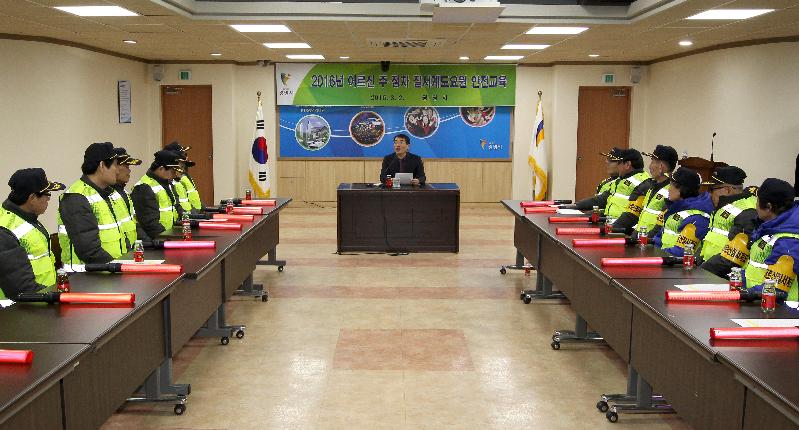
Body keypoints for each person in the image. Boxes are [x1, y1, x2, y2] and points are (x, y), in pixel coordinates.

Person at [58, 142, 128, 266]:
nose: (118, 171)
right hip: (86, 275)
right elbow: (89, 251)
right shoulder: (77, 198)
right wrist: (119, 268)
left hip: (110, 270)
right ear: (102, 165)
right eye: (115, 165)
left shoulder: (108, 193)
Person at [0, 168, 65, 299]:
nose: (48, 200)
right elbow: (21, 287)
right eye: (47, 195)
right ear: (32, 198)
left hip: (41, 299)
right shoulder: (5, 231)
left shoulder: (26, 218)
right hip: (20, 307)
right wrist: (55, 298)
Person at [742, 178, 798, 301]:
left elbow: (776, 289)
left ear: (768, 207)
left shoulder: (788, 241)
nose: (755, 205)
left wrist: (743, 294)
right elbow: (753, 268)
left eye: (757, 201)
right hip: (757, 302)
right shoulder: (770, 228)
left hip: (779, 309)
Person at [698, 166, 758, 278]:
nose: (710, 194)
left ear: (727, 190)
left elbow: (733, 257)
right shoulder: (725, 206)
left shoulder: (747, 212)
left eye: (712, 190)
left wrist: (701, 271)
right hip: (710, 273)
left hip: (725, 277)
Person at [651, 167, 713, 257]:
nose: (668, 189)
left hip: (675, 263)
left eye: (671, 185)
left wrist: (655, 256)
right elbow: (659, 239)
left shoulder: (698, 218)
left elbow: (681, 252)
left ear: (682, 189)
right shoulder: (676, 208)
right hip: (663, 259)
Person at [615, 145, 678, 234]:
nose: (649, 166)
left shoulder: (671, 193)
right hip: (640, 237)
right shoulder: (650, 186)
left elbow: (659, 229)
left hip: (650, 240)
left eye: (652, 162)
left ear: (661, 167)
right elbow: (633, 214)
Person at [131, 150, 185, 240]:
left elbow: (175, 209)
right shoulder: (144, 187)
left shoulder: (166, 184)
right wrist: (168, 240)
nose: (175, 174)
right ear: (161, 169)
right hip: (157, 241)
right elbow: (150, 223)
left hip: (168, 237)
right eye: (173, 171)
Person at [112, 147, 144, 247]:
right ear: (114, 167)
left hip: (131, 250)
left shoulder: (124, 193)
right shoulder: (106, 195)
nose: (129, 171)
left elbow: (133, 224)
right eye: (126, 166)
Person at [164, 141, 201, 210]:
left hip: (193, 214)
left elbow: (196, 202)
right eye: (181, 165)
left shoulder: (186, 178)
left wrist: (203, 212)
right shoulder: (167, 182)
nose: (182, 169)